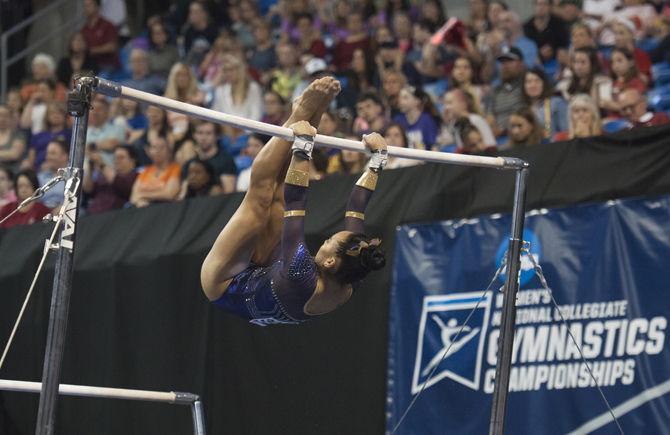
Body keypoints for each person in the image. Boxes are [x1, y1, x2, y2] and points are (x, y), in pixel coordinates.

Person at [200, 77, 386, 325]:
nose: (326, 239)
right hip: (268, 273)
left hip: (224, 283)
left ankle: (297, 115)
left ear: (330, 261)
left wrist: (302, 148)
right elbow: (356, 209)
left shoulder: (301, 274)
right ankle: (314, 111)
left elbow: (296, 200)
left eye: (330, 241)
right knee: (275, 203)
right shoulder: (353, 267)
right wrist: (377, 162)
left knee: (261, 198)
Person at [83, 145, 138, 214]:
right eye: (115, 158)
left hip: (112, 217)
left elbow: (121, 185)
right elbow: (88, 189)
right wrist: (90, 167)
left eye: (121, 157)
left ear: (133, 160)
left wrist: (101, 164)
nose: (117, 161)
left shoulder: (135, 176)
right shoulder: (105, 176)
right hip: (91, 215)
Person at [130, 135, 181, 207]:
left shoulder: (175, 168)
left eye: (162, 147)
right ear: (149, 151)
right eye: (154, 147)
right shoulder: (145, 171)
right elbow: (133, 197)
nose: (158, 151)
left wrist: (143, 195)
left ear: (169, 151)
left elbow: (170, 194)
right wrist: (139, 201)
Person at [488, 46, 527, 136]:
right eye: (502, 62)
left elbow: (530, 113)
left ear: (521, 64)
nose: (505, 65)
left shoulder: (527, 85)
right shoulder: (496, 91)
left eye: (510, 61)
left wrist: (504, 129)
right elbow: (490, 117)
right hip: (498, 137)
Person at [191, 121, 238, 193]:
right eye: (200, 133)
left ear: (217, 136)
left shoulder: (225, 160)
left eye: (208, 133)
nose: (203, 138)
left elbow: (229, 193)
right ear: (194, 135)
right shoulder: (190, 163)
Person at [522, 67, 568, 138]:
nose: (533, 85)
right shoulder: (523, 110)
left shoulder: (556, 103)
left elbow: (566, 132)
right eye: (529, 82)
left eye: (537, 81)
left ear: (544, 84)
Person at [25, 102, 71, 171]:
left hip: (61, 169)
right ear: (47, 117)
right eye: (52, 113)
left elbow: (71, 156)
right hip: (38, 171)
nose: (56, 115)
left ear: (65, 116)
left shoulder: (70, 134)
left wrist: (53, 166)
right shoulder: (37, 136)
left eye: (59, 113)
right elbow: (31, 158)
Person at [80, 0, 120, 72]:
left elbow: (112, 47)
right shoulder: (84, 30)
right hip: (90, 66)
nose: (86, 8)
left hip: (106, 65)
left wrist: (92, 50)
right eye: (85, 6)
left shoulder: (108, 25)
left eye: (89, 5)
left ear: (98, 7)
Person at [37, 139, 69, 211]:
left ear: (65, 156)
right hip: (42, 215)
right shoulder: (40, 177)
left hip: (67, 213)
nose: (48, 157)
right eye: (47, 154)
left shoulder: (73, 177)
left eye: (53, 153)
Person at [0, 105, 26, 173]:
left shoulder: (17, 135)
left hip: (11, 173)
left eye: (5, 115)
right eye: (0, 115)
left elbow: (14, 154)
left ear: (11, 118)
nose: (2, 119)